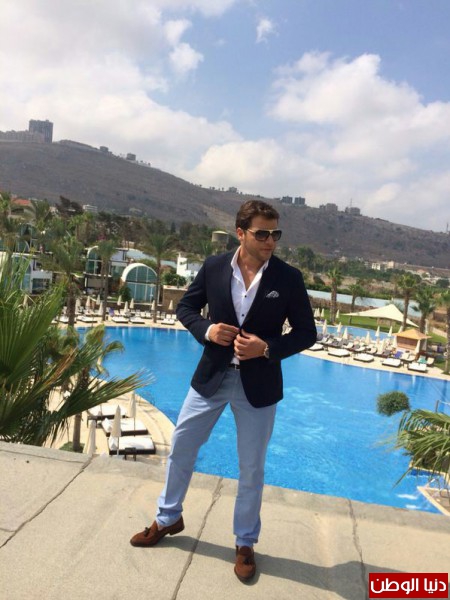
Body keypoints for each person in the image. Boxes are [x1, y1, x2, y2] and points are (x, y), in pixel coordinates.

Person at [130, 200, 317, 582]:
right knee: (182, 446)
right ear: (241, 233)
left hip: (259, 385)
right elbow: (186, 308)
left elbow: (306, 333)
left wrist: (266, 348)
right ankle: (167, 518)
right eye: (262, 234)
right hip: (212, 378)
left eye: (275, 234)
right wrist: (208, 330)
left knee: (251, 467)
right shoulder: (215, 267)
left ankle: (245, 542)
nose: (270, 241)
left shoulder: (288, 278)